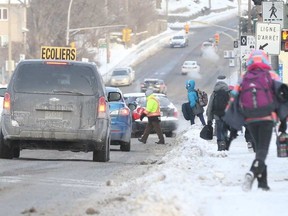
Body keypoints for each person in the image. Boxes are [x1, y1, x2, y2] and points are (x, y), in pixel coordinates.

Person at [230, 50, 279, 191]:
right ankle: (252, 171)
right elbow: (281, 95)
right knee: (263, 150)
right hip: (267, 118)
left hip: (250, 119)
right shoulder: (272, 75)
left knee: (258, 149)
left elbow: (234, 96)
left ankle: (263, 183)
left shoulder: (244, 77)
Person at [206, 75, 230, 151]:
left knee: (219, 129)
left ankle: (220, 144)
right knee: (225, 129)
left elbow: (210, 106)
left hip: (217, 115)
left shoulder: (214, 92)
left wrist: (209, 119)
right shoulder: (229, 92)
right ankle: (225, 143)